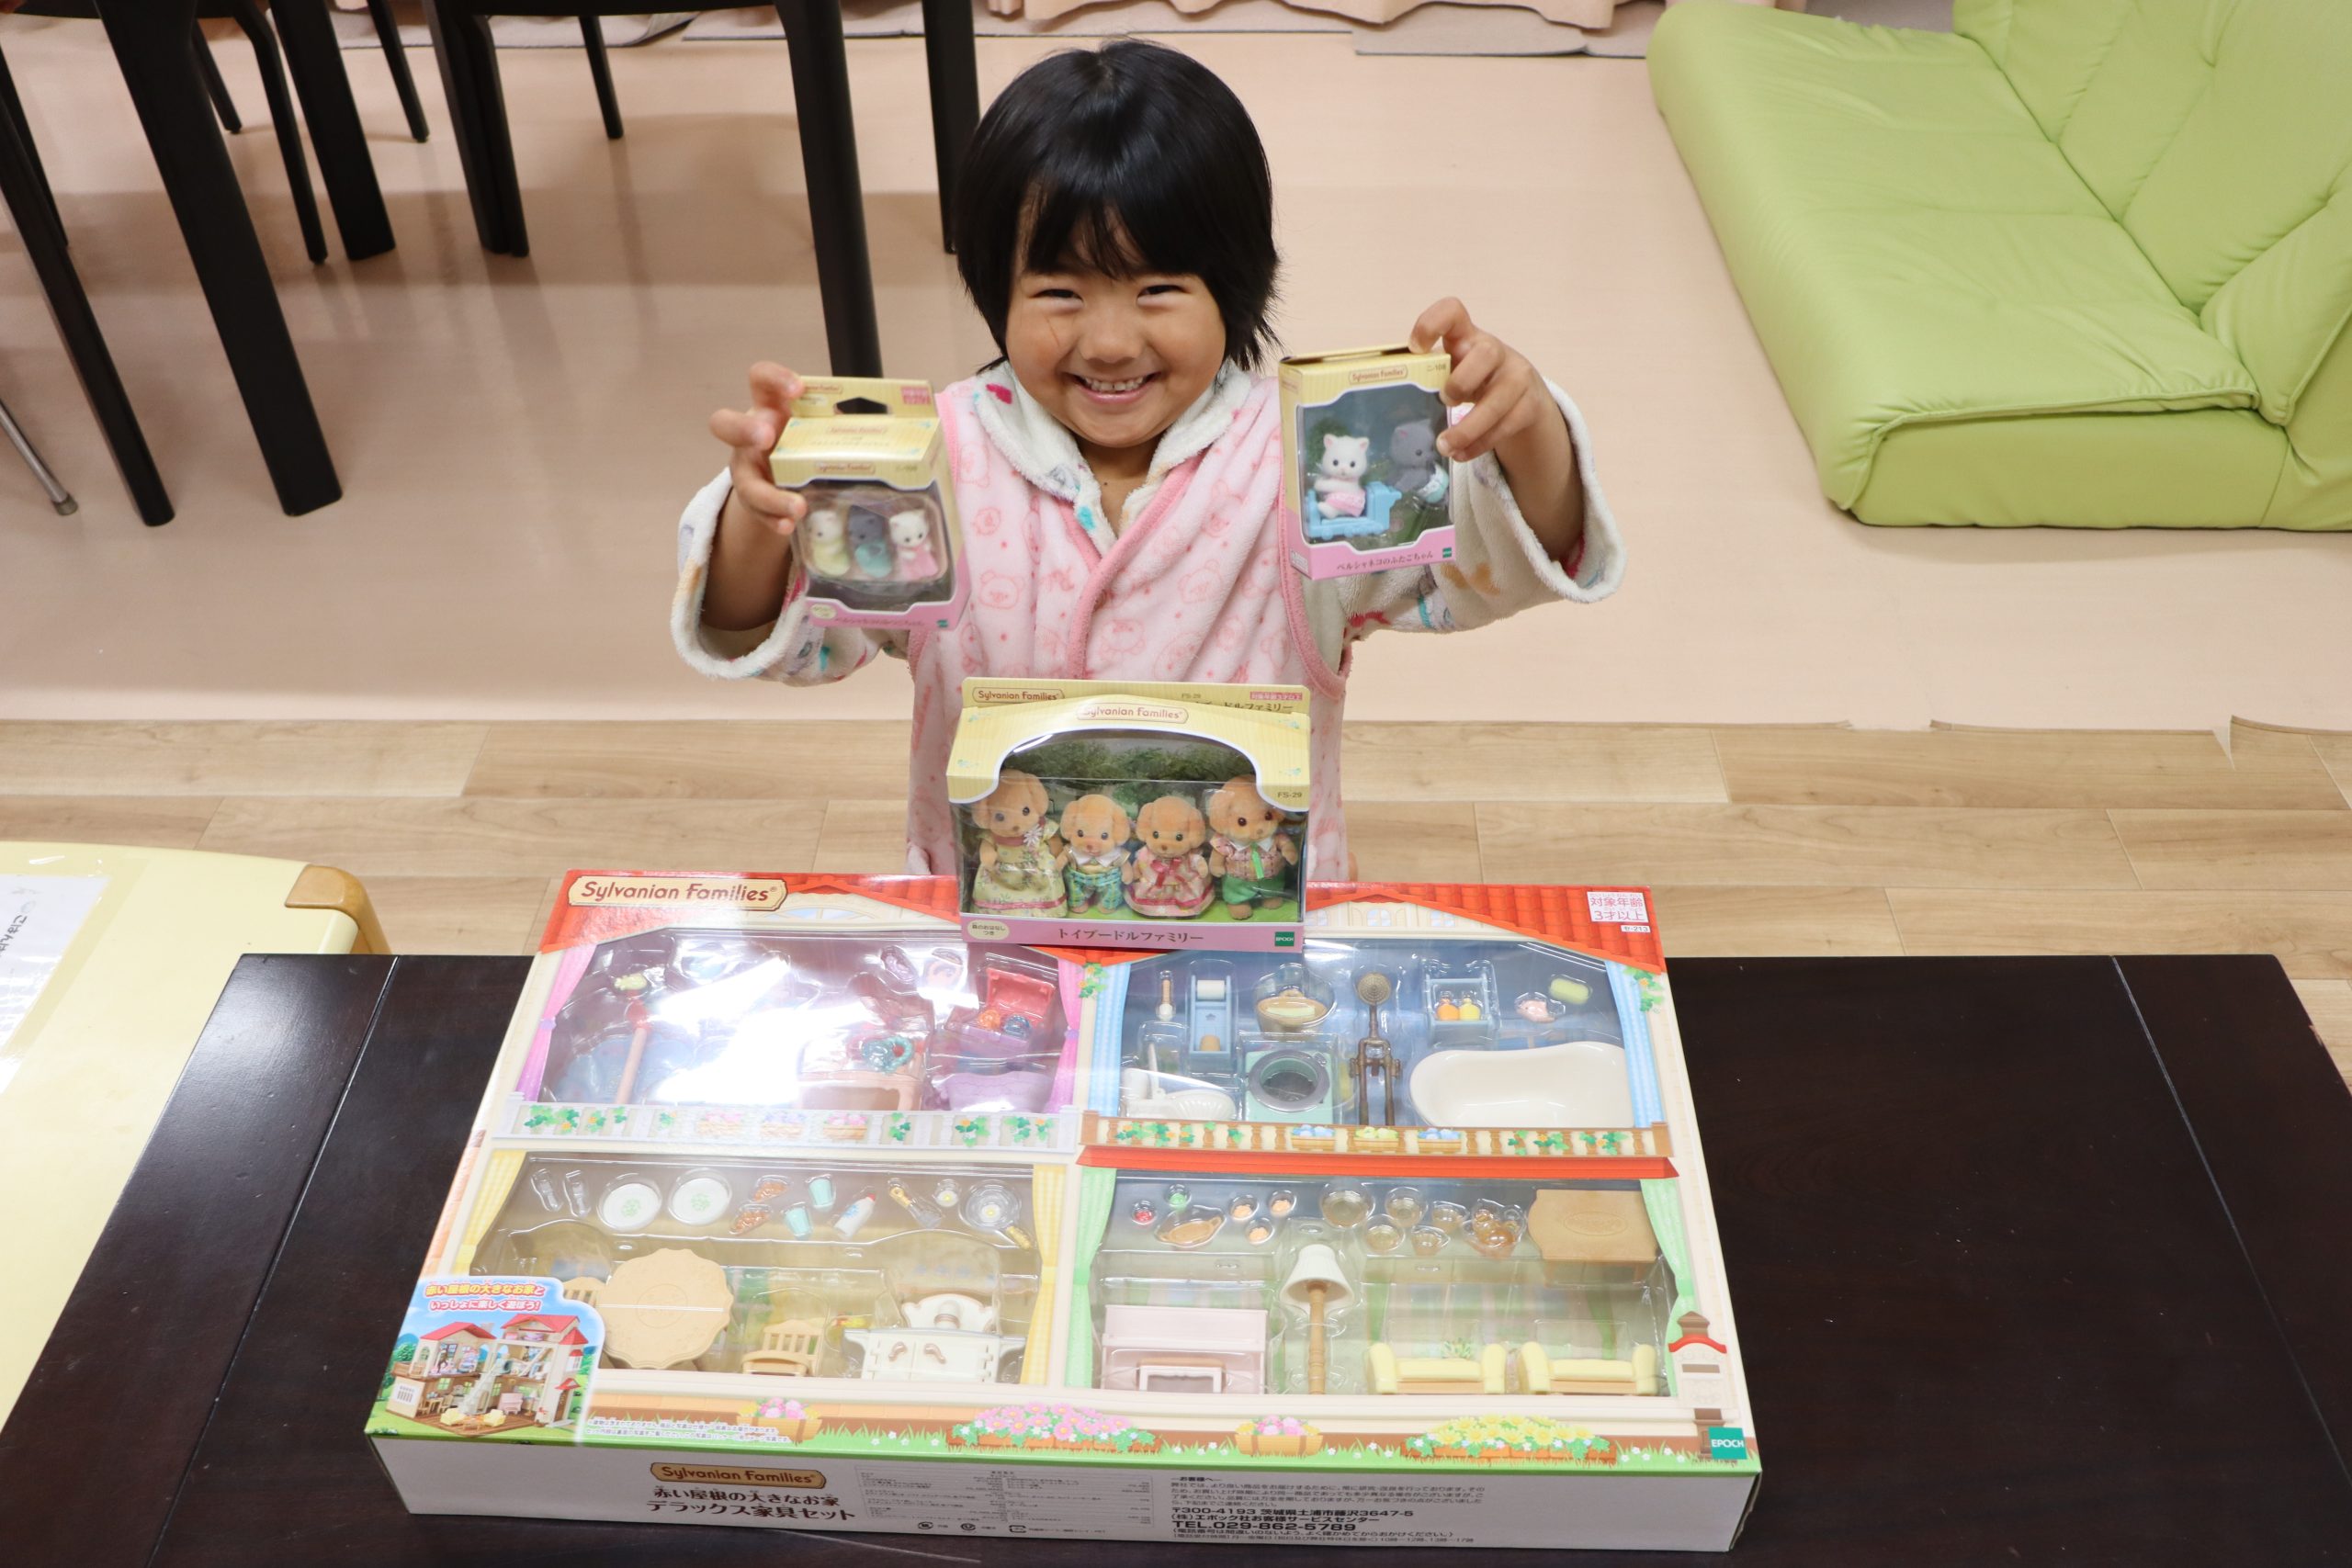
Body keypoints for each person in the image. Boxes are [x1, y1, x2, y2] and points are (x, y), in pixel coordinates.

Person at [675, 39, 1623, 878]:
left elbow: (1486, 568)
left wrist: (1526, 429)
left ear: (1236, 289)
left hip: (1250, 924)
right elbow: (784, 637)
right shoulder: (938, 459)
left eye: (1159, 288)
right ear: (994, 291)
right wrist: (761, 519)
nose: (1110, 341)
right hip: (998, 912)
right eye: (1059, 291)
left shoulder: (1304, 458)